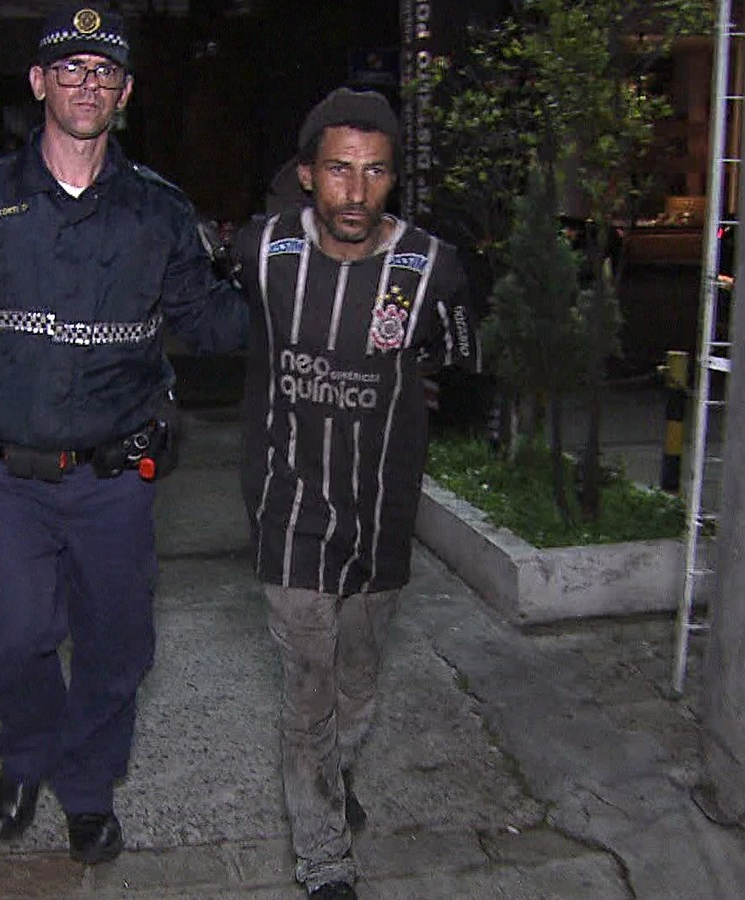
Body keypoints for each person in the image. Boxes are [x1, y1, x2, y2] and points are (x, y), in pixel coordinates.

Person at [0, 3, 249, 866]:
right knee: (11, 639)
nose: (89, 85)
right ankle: (30, 755)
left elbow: (213, 322)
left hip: (116, 476)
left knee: (118, 648)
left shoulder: (156, 212)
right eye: (71, 69)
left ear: (124, 92)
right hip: (5, 474)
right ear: (40, 83)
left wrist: (291, 281)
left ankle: (84, 793)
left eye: (106, 72)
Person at [232, 88, 481, 900]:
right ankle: (324, 861)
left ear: (392, 180)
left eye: (374, 173)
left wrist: (425, 389)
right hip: (290, 515)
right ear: (308, 175)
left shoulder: (429, 268)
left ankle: (330, 781)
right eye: (339, 170)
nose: (355, 190)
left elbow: (464, 364)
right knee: (307, 690)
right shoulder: (261, 254)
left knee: (357, 689)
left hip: (379, 523)